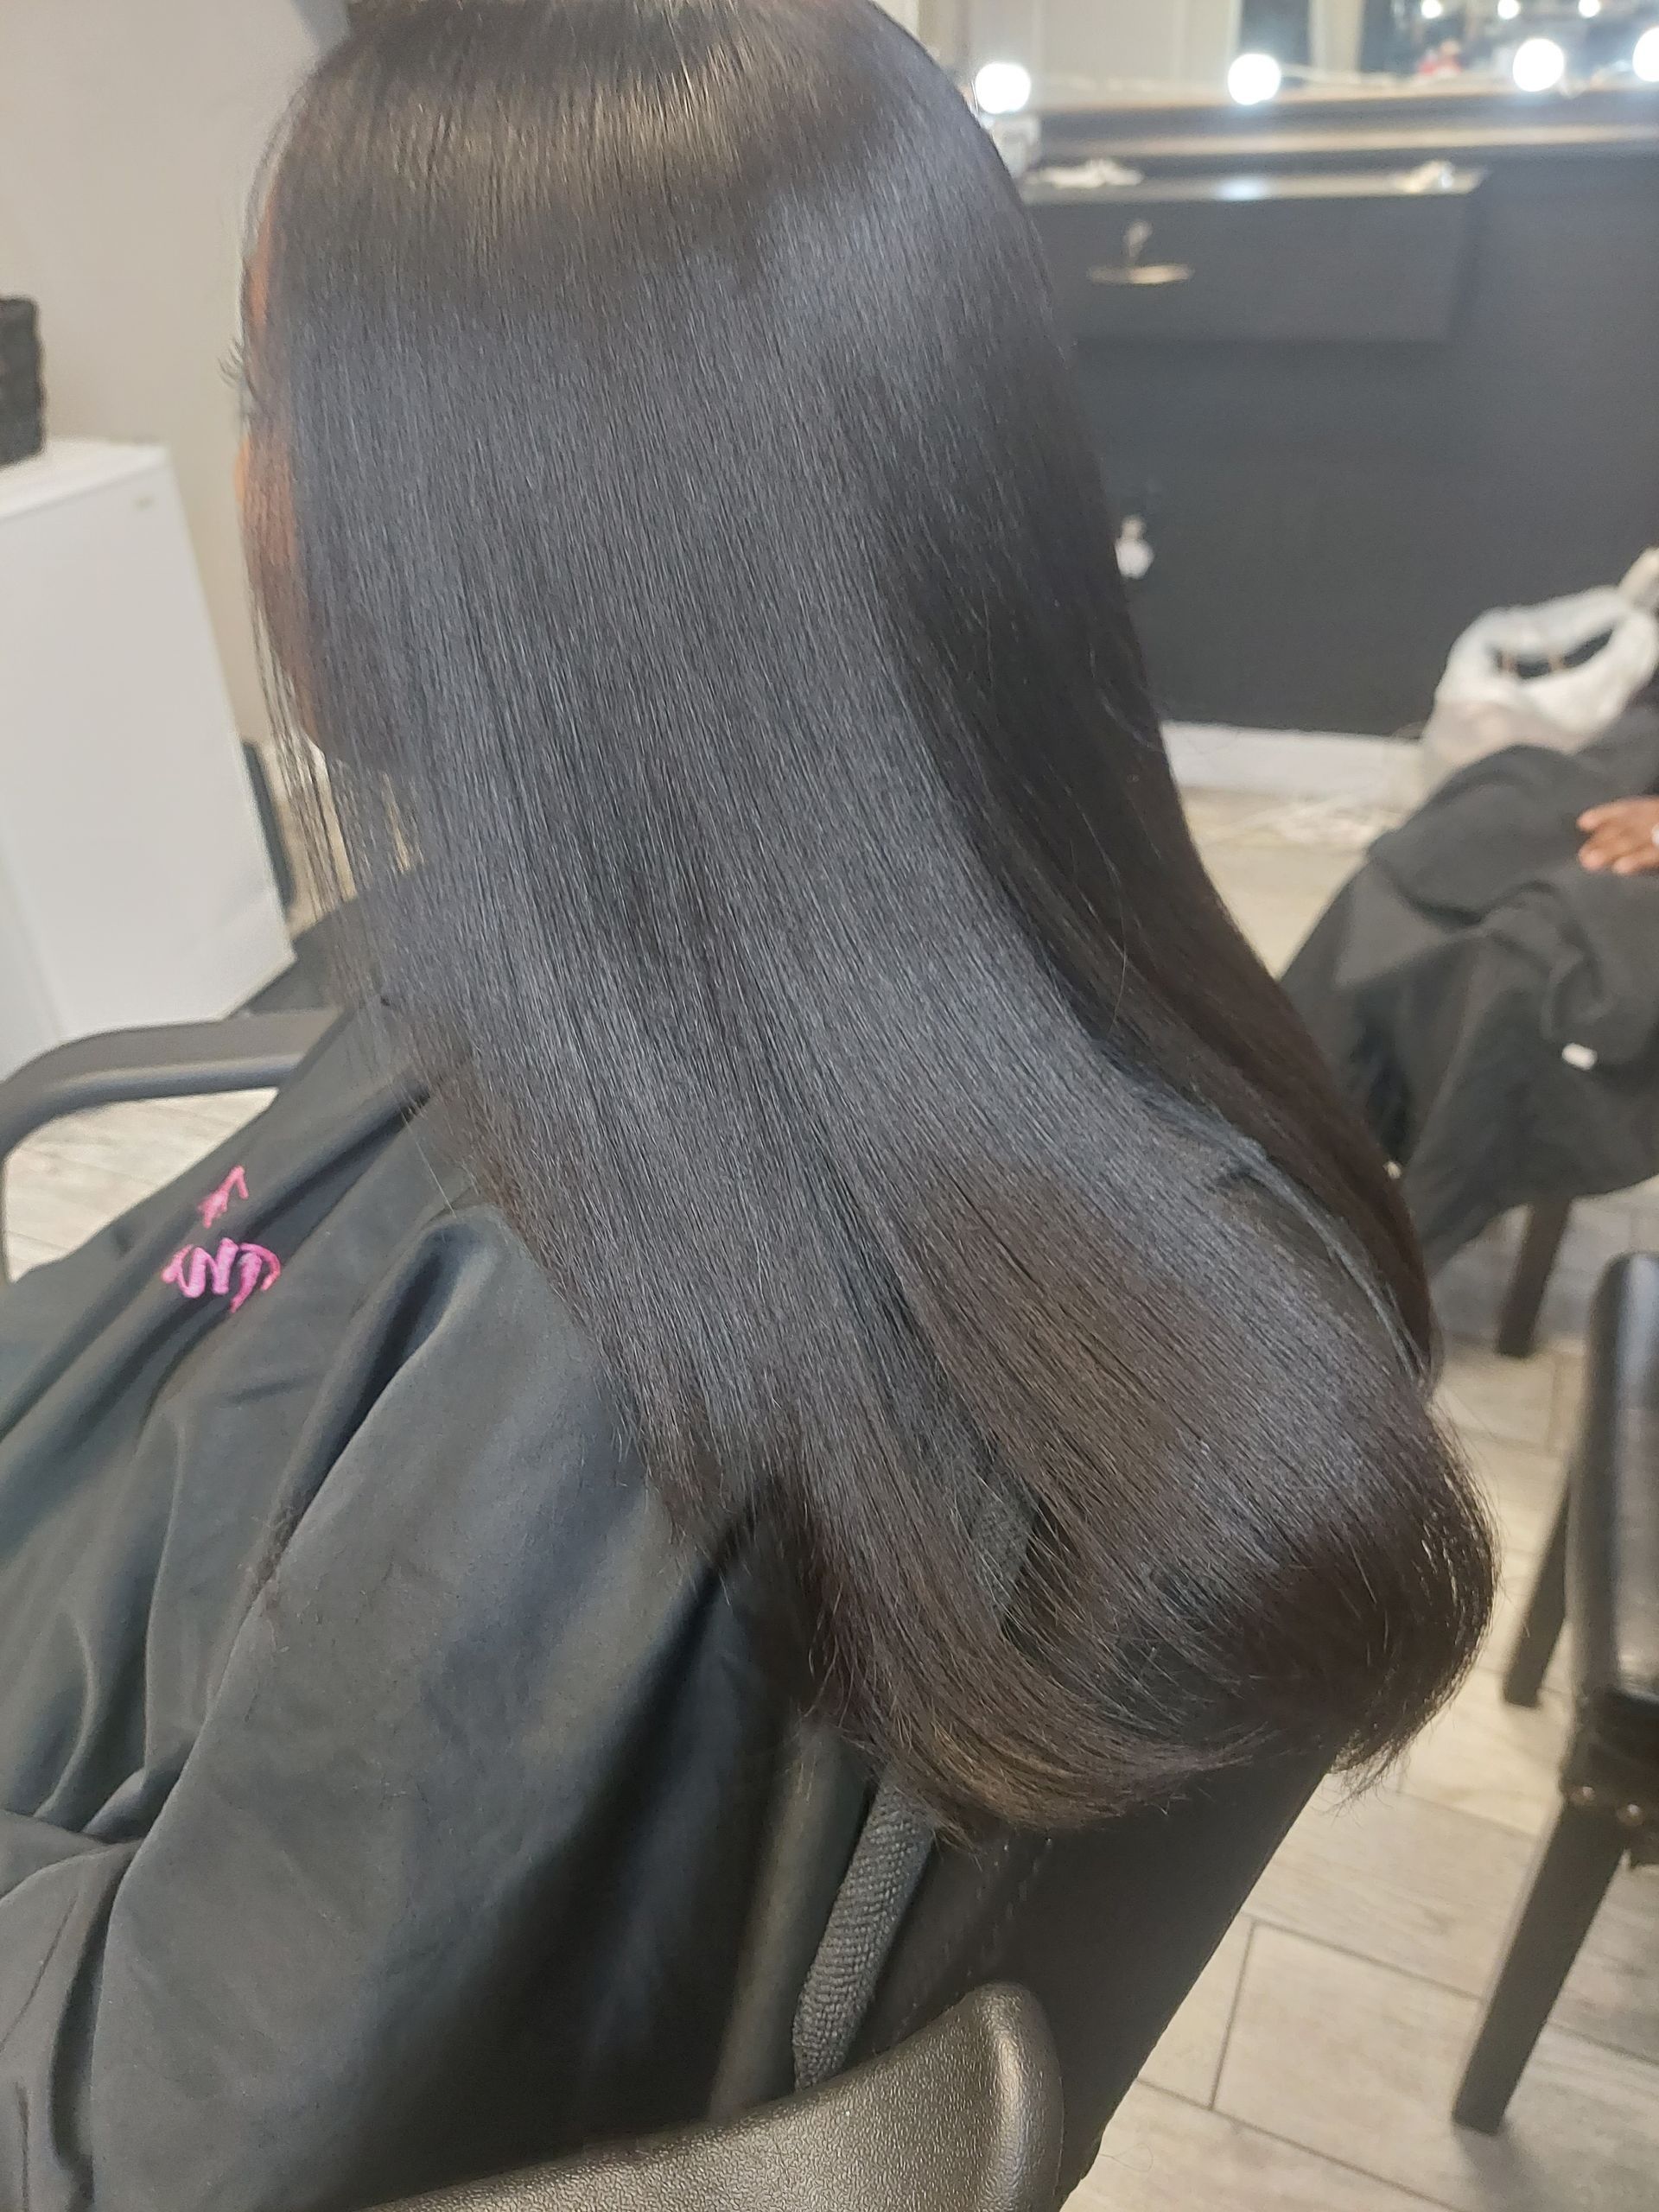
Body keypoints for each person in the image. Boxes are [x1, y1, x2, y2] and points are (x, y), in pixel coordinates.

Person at [0, 3, 1493, 2206]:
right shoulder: (998, 1008)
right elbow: (220, 1258)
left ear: (500, 518)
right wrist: (184, 1281)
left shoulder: (579, 1339)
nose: (255, 488)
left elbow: (140, 2135)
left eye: (264, 403)